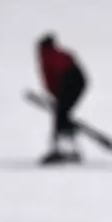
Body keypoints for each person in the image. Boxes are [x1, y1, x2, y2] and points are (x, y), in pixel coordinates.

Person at [36, 34, 88, 165]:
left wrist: (56, 95)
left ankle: (62, 148)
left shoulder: (46, 56)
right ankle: (68, 141)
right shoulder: (61, 53)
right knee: (63, 114)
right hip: (79, 80)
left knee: (60, 115)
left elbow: (50, 78)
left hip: (68, 80)